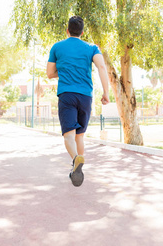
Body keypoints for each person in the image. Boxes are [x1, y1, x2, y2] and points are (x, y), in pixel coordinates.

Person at [47, 15, 109, 187]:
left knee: (69, 136)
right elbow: (101, 67)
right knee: (79, 136)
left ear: (67, 31)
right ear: (82, 32)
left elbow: (50, 73)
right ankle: (78, 166)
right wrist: (106, 93)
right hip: (85, 97)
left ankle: (76, 160)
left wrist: (66, 71)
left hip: (67, 95)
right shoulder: (92, 48)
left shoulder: (57, 47)